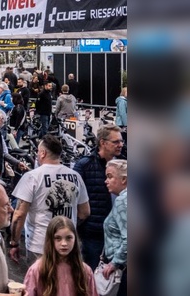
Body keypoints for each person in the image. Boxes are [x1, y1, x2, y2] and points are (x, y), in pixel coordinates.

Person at [9, 135, 91, 264]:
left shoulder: (32, 177)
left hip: (40, 245)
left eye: (37, 152)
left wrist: (14, 243)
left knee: (39, 283)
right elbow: (84, 212)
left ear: (43, 153)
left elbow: (19, 215)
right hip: (68, 245)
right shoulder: (75, 177)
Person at [72, 125, 123, 269]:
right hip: (92, 234)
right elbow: (74, 199)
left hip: (118, 234)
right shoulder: (84, 165)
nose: (120, 145)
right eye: (116, 142)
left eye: (121, 141)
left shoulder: (124, 164)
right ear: (102, 142)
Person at [23, 216, 98, 296]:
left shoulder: (85, 271)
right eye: (58, 238)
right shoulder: (37, 270)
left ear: (75, 239)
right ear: (50, 240)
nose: (64, 243)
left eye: (69, 238)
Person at [102, 159, 127, 296]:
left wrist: (115, 263)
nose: (106, 181)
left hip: (123, 271)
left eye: (110, 177)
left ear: (124, 179)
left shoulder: (123, 200)